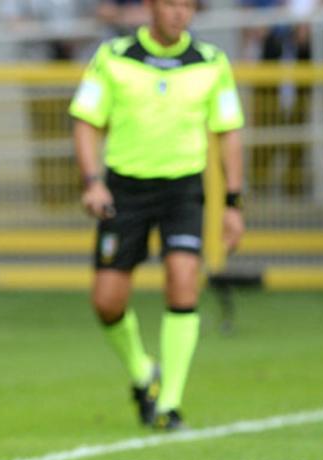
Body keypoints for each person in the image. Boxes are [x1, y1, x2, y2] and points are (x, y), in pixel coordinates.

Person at [69, 0, 245, 431]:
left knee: (183, 282)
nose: (179, 13)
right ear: (151, 6)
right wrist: (93, 181)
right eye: (171, 3)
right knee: (107, 301)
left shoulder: (211, 62)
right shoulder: (113, 57)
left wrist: (233, 205)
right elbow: (85, 121)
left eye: (187, 5)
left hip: (183, 189)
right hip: (125, 189)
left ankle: (169, 405)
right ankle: (144, 374)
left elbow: (228, 132)